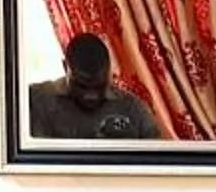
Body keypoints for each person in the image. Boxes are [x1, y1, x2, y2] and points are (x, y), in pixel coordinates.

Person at [27, 32, 163, 143]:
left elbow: (156, 161)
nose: (90, 95)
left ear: (110, 71)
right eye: (81, 86)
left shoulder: (132, 108)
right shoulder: (37, 101)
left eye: (99, 86)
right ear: (65, 67)